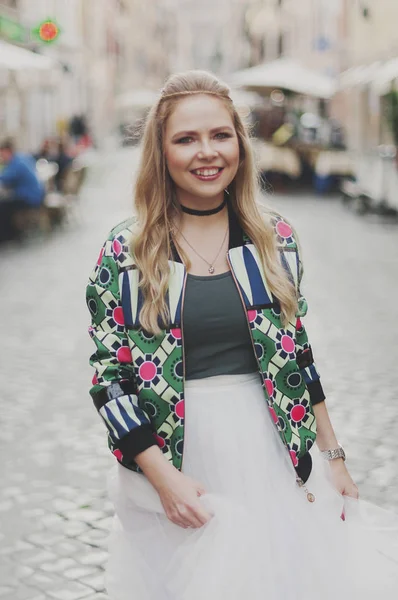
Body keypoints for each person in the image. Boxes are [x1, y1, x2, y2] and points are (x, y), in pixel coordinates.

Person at [86, 71, 398, 600]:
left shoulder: (272, 240)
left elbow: (297, 353)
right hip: (176, 457)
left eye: (219, 135)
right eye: (186, 139)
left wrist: (334, 458)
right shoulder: (130, 253)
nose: (206, 152)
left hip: (274, 452)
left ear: (240, 144)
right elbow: (109, 379)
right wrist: (164, 480)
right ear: (161, 151)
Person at [0, 138, 45, 241]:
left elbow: (5, 178)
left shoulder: (16, 163)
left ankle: (7, 236)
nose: (1, 157)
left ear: (7, 151)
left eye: (2, 154)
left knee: (3, 206)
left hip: (30, 197)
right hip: (38, 194)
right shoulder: (22, 157)